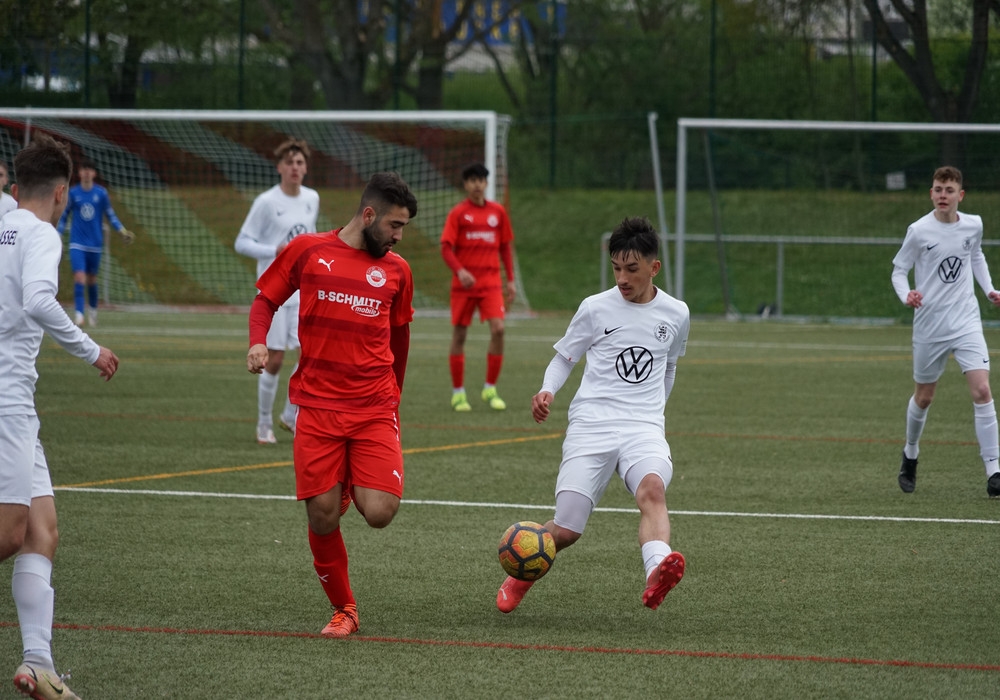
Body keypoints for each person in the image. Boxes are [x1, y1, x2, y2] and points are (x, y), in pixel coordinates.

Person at [246, 171, 417, 638]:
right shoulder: (308, 251)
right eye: (395, 225)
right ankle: (345, 609)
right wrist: (258, 341)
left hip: (374, 406)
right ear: (369, 215)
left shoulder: (398, 271)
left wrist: (395, 399)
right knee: (321, 516)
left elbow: (400, 339)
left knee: (380, 512)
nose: (399, 236)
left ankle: (346, 480)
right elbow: (265, 301)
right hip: (318, 407)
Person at [496, 216, 688, 614]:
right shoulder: (595, 308)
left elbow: (668, 367)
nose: (622, 278)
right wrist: (547, 390)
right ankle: (521, 573)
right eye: (616, 268)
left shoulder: (676, 313)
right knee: (567, 530)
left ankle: (656, 571)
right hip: (592, 425)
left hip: (643, 428)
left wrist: (655, 411)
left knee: (652, 490)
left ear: (654, 267)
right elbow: (565, 358)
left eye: (631, 269)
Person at [0, 134, 119, 700]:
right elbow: (38, 300)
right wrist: (92, 350)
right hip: (6, 400)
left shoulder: (4, 221)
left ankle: (38, 663)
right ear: (63, 192)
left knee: (41, 531)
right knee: (9, 534)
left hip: (17, 401)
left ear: (15, 186)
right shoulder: (42, 232)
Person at [891, 165, 1000, 498]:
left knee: (982, 390)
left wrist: (989, 289)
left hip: (966, 321)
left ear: (960, 195)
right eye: (938, 189)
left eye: (949, 190)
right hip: (930, 325)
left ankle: (994, 471)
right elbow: (898, 270)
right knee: (924, 397)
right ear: (931, 194)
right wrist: (906, 294)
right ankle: (910, 453)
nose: (943, 195)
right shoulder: (918, 231)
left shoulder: (973, 225)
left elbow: (976, 255)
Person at [235, 138, 319, 444]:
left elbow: (309, 238)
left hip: (304, 289)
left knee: (310, 355)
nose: (294, 167)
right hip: (276, 290)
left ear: (305, 168)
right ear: (279, 167)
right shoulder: (267, 202)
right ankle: (263, 423)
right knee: (274, 358)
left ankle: (290, 415)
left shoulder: (312, 198)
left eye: (299, 162)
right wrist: (275, 250)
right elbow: (241, 242)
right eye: (289, 162)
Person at [440, 162, 516, 412]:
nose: (477, 185)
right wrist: (460, 271)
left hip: (491, 284)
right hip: (463, 287)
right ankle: (458, 393)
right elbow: (446, 248)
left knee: (499, 329)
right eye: (472, 180)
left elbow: (505, 247)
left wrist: (511, 280)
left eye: (481, 180)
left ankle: (490, 388)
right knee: (460, 335)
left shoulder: (498, 212)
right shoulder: (458, 213)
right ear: (466, 184)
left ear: (486, 183)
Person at [55, 158, 134, 327]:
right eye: (83, 169)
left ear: (94, 173)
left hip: (95, 244)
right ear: (79, 172)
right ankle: (79, 315)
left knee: (91, 280)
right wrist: (57, 234)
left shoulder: (101, 193)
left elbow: (110, 215)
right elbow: (64, 216)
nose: (86, 172)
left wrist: (122, 231)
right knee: (79, 277)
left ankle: (93, 311)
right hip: (77, 243)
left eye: (89, 169)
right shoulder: (73, 193)